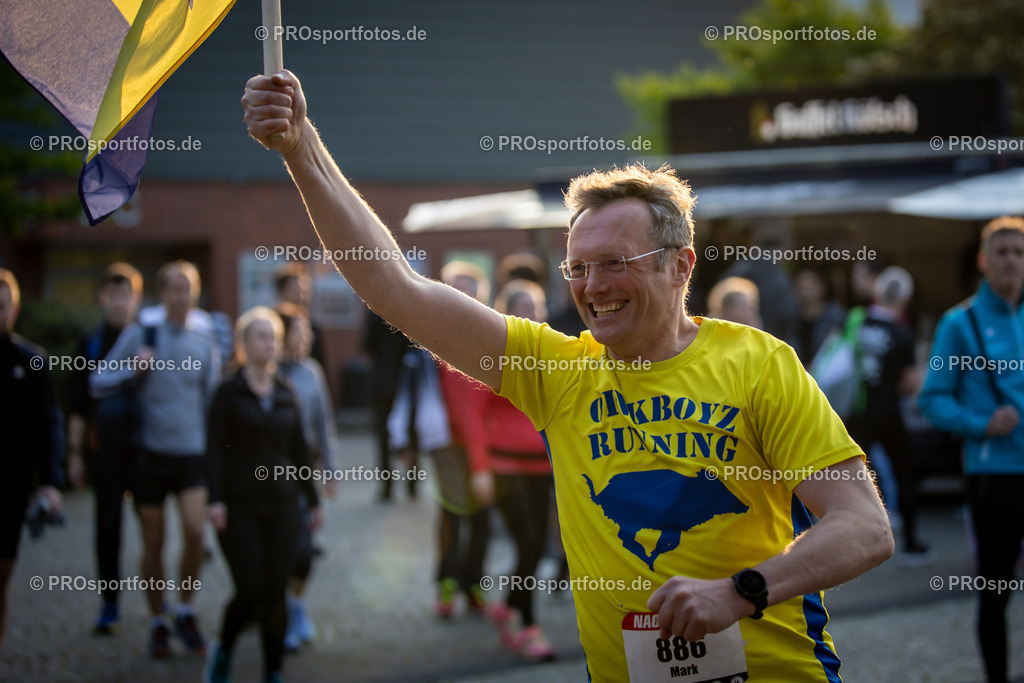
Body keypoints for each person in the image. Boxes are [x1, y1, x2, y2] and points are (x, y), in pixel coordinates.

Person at [242, 72, 894, 681]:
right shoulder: (557, 370)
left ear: (680, 264)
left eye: (613, 262)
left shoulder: (759, 364)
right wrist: (300, 148)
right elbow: (397, 288)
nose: (591, 287)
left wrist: (738, 591)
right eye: (576, 268)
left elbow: (864, 527)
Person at [91, 260, 219, 658]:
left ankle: (185, 609)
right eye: (175, 290)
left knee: (196, 533)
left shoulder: (204, 341)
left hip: (192, 453)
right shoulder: (140, 334)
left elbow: (212, 401)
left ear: (196, 294)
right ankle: (157, 620)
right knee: (154, 540)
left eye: (189, 290)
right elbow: (98, 380)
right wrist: (133, 368)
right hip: (149, 453)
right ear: (161, 295)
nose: (182, 298)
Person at [919, 216, 1024, 683]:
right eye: (1001, 251)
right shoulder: (959, 323)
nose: (1011, 261)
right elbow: (932, 399)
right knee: (996, 592)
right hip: (994, 476)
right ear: (983, 261)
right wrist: (980, 424)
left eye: (1019, 252)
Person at [204, 306, 321, 683]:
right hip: (239, 507)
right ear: (243, 344)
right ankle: (222, 650)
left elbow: (300, 451)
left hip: (284, 505)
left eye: (273, 337)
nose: (269, 344)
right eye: (261, 337)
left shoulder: (287, 393)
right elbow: (214, 451)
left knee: (276, 589)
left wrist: (314, 500)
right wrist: (215, 499)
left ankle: (273, 671)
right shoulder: (227, 392)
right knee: (250, 589)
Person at [389, 260, 493, 618]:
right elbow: (408, 394)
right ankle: (447, 584)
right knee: (453, 512)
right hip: (445, 440)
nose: (463, 295)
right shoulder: (426, 342)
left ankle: (474, 584)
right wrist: (402, 440)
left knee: (482, 513)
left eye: (469, 288)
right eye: (456, 288)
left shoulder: (494, 337)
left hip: (484, 442)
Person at [482, 280, 557, 662]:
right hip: (503, 465)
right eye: (525, 305)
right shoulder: (493, 350)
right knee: (528, 544)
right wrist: (478, 469)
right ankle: (527, 623)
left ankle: (509, 606)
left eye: (538, 305)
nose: (534, 312)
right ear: (508, 309)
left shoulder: (554, 350)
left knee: (536, 545)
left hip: (542, 465)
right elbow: (473, 414)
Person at [66, 262, 143, 634]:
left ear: (136, 298)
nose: (119, 303)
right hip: (104, 449)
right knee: (108, 525)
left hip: (144, 446)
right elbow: (78, 402)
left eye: (125, 295)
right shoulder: (91, 341)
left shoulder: (148, 339)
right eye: (113, 296)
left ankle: (158, 607)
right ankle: (110, 602)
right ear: (103, 298)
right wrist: (75, 454)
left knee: (152, 525)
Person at [847, 266, 931, 566]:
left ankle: (849, 545)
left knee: (850, 477)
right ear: (905, 299)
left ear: (877, 292)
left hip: (857, 411)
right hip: (890, 412)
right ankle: (911, 543)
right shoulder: (902, 334)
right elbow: (910, 384)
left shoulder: (856, 322)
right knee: (902, 472)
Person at [0, 268, 63, 652]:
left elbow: (48, 423)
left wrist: (50, 481)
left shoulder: (31, 360)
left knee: (1, 575)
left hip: (11, 483)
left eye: (2, 305)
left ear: (15, 308)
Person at [275, 304, 337, 650]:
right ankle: (278, 609)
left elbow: (323, 422)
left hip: (304, 473)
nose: (308, 337)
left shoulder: (312, 372)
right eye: (301, 331)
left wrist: (331, 470)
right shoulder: (266, 373)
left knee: (303, 550)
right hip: (268, 475)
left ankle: (295, 604)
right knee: (279, 547)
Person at [362, 308, 414, 502]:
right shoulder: (406, 311)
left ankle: (387, 486)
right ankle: (413, 482)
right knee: (410, 432)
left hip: (382, 382)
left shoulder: (375, 310)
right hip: (406, 381)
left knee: (383, 436)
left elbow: (367, 344)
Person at [274, 262, 325, 367]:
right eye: (296, 291)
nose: (301, 297)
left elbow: (320, 362)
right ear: (282, 291)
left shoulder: (312, 326)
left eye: (305, 292)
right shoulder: (271, 323)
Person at [793, 267, 846, 366]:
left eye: (810, 285)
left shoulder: (835, 317)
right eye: (801, 286)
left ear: (822, 287)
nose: (805, 291)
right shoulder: (790, 318)